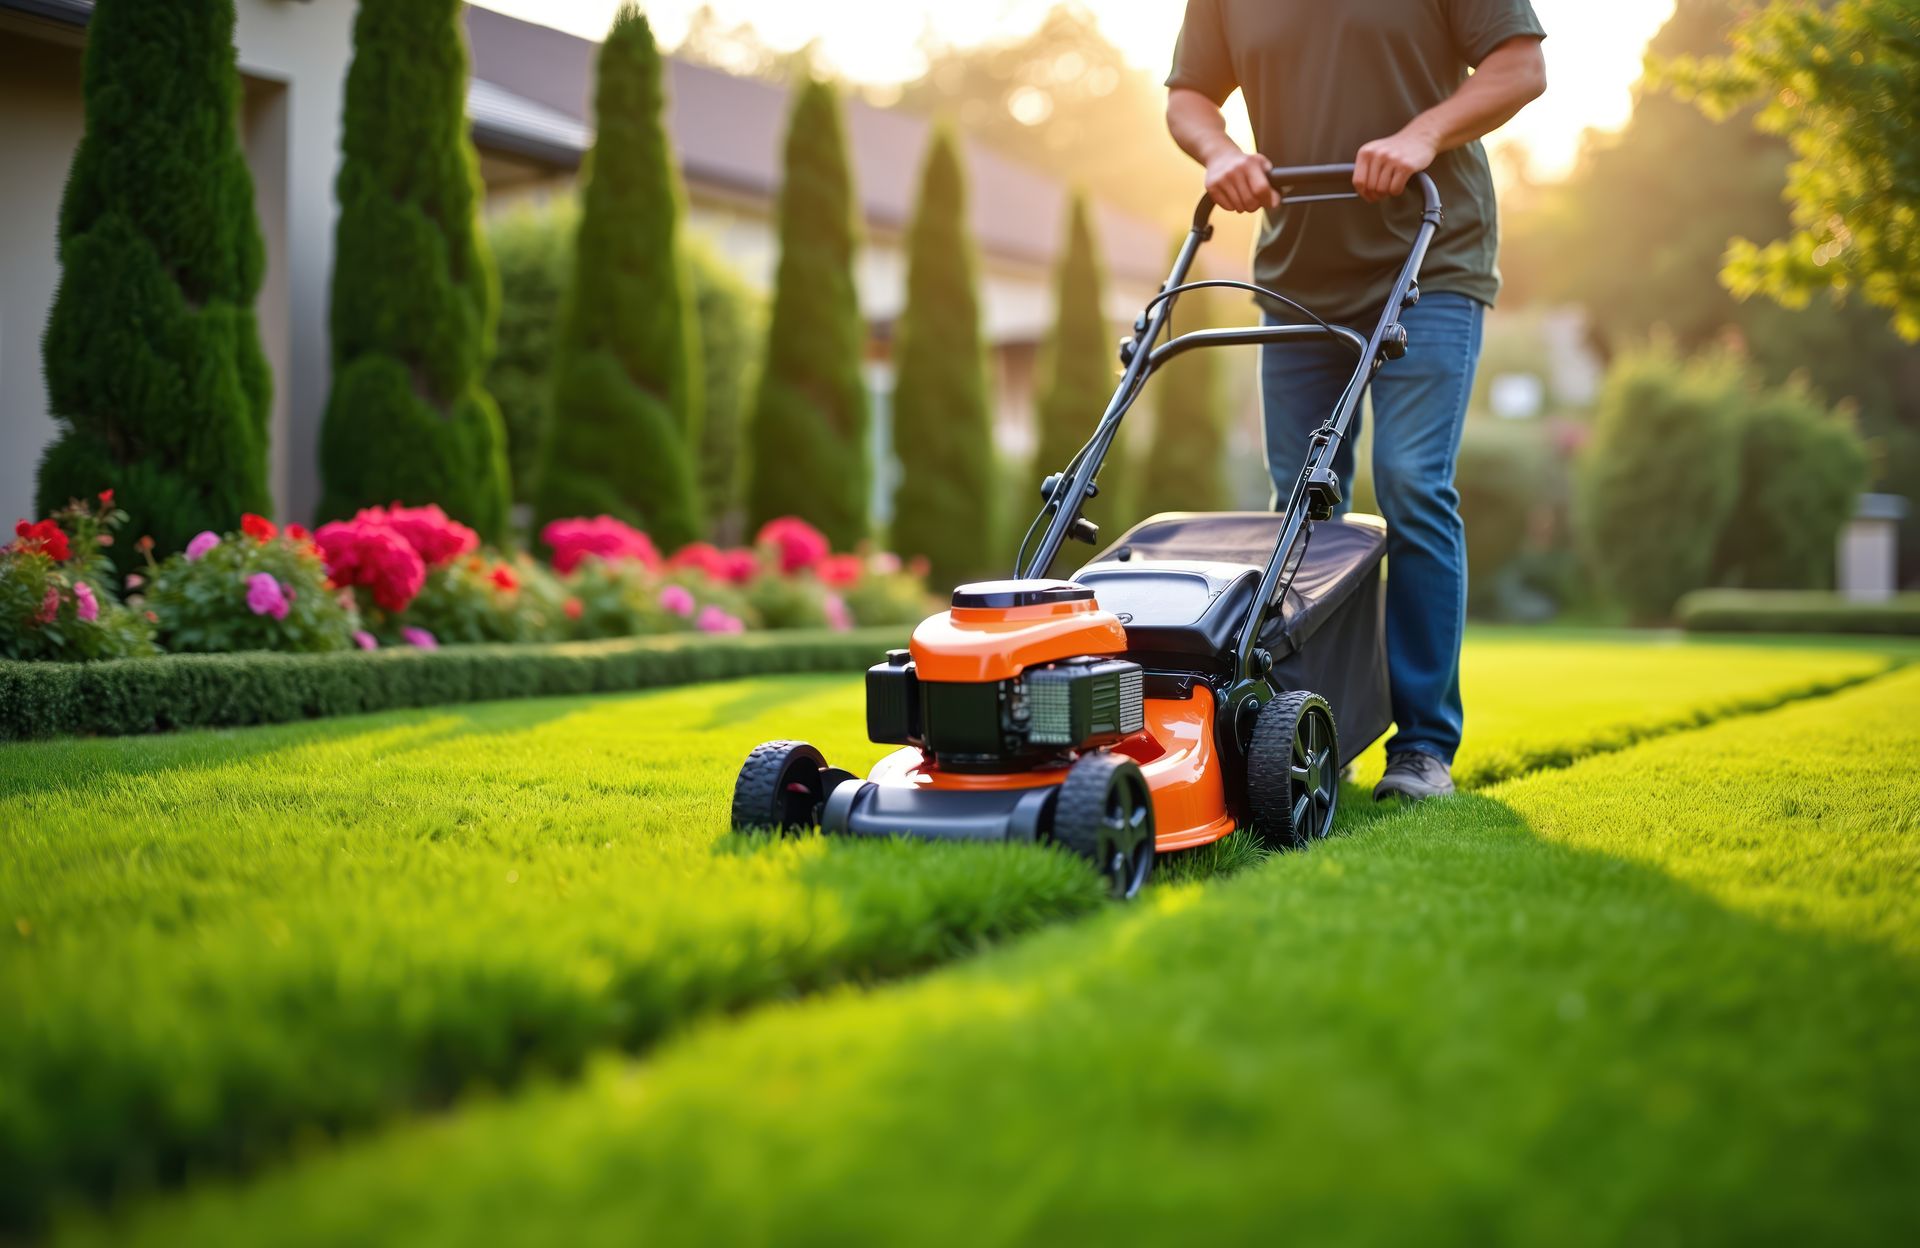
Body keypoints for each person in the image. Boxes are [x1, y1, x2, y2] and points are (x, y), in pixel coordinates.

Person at [1165, 0, 1547, 801]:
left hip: (1429, 253)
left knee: (1411, 479)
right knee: (1302, 504)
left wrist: (1421, 136)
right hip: (1300, 272)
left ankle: (1423, 747)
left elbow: (1520, 66)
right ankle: (1309, 735)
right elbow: (1189, 94)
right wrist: (1220, 150)